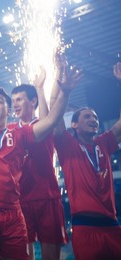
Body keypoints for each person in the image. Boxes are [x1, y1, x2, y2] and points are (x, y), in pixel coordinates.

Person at [0, 51, 81, 260]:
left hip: (13, 213)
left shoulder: (19, 133)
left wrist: (66, 93)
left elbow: (51, 120)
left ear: (8, 110)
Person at [53, 61, 121, 259]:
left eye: (95, 117)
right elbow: (54, 118)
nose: (94, 120)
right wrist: (64, 92)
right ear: (73, 124)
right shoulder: (67, 144)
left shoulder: (104, 143)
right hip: (84, 227)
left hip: (113, 225)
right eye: (87, 117)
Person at [8, 71, 68, 259]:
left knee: (51, 260)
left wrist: (40, 88)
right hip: (20, 200)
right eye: (13, 100)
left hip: (46, 197)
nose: (15, 104)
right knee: (23, 258)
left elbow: (47, 121)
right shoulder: (10, 130)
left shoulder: (43, 124)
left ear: (33, 102)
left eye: (19, 99)